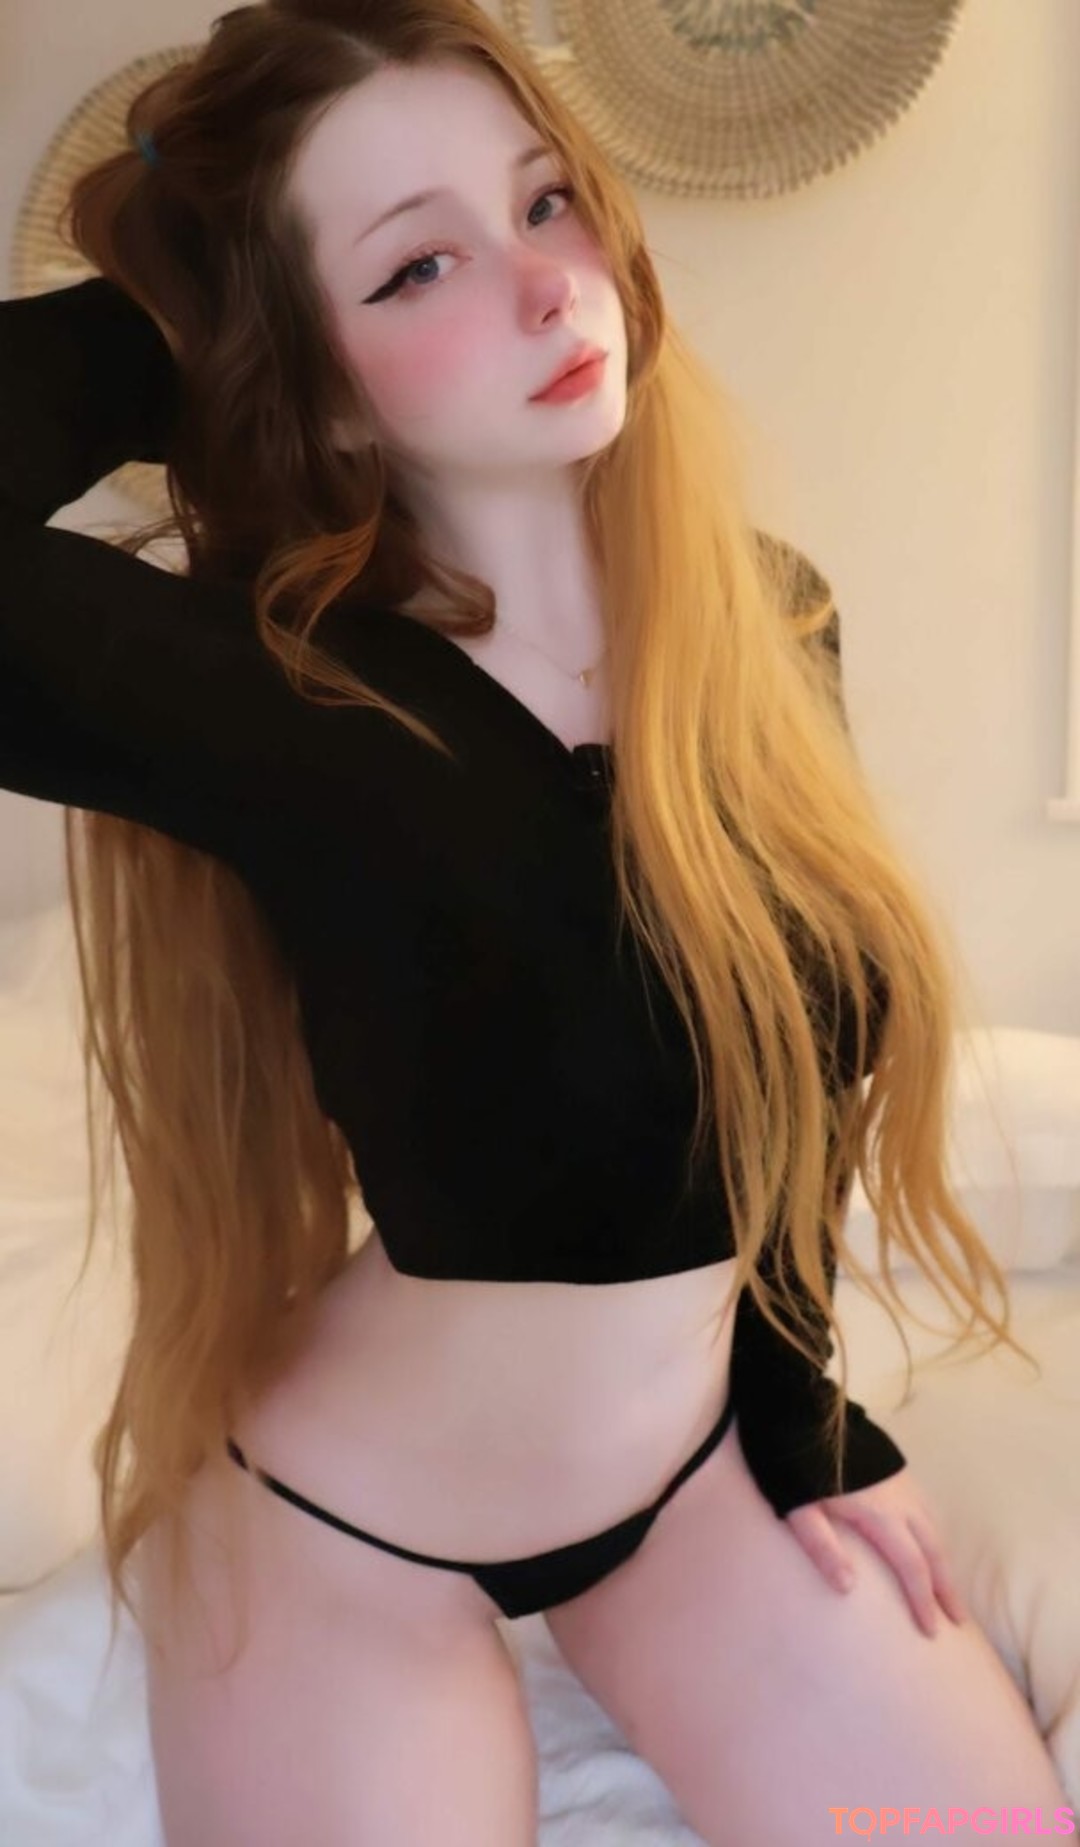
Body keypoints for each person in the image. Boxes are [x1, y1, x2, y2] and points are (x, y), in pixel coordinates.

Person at [1, 2, 1074, 1842]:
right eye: (416, 264)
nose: (543, 285)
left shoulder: (766, 617)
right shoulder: (281, 699)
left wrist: (809, 1425)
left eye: (546, 200)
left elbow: (777, 1077)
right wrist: (179, 320)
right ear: (321, 374)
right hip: (350, 1528)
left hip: (694, 1472)